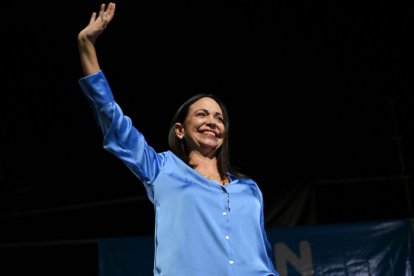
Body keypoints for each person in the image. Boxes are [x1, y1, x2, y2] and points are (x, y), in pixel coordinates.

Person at [77, 2, 279, 275]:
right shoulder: (161, 170)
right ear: (180, 129)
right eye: (202, 115)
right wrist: (86, 45)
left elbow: (262, 254)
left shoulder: (250, 189)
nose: (212, 122)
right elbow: (112, 119)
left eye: (219, 118)